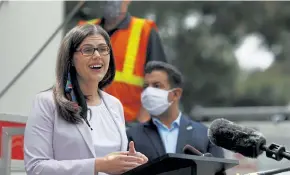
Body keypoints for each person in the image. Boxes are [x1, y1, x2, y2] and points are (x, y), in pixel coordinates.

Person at [24, 24, 148, 175]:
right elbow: (36, 168)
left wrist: (131, 162)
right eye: (88, 50)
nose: (97, 55)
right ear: (71, 59)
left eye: (103, 49)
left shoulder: (114, 105)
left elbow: (115, 166)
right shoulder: (47, 102)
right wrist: (98, 166)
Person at [79, 0, 167, 123]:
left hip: (129, 124)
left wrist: (143, 120)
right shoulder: (83, 30)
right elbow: (70, 75)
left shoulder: (145, 30)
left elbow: (160, 81)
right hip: (90, 121)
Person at [126, 61, 224, 161]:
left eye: (156, 86)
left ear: (176, 94)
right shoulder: (132, 135)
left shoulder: (206, 135)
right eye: (146, 86)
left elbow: (218, 170)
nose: (148, 92)